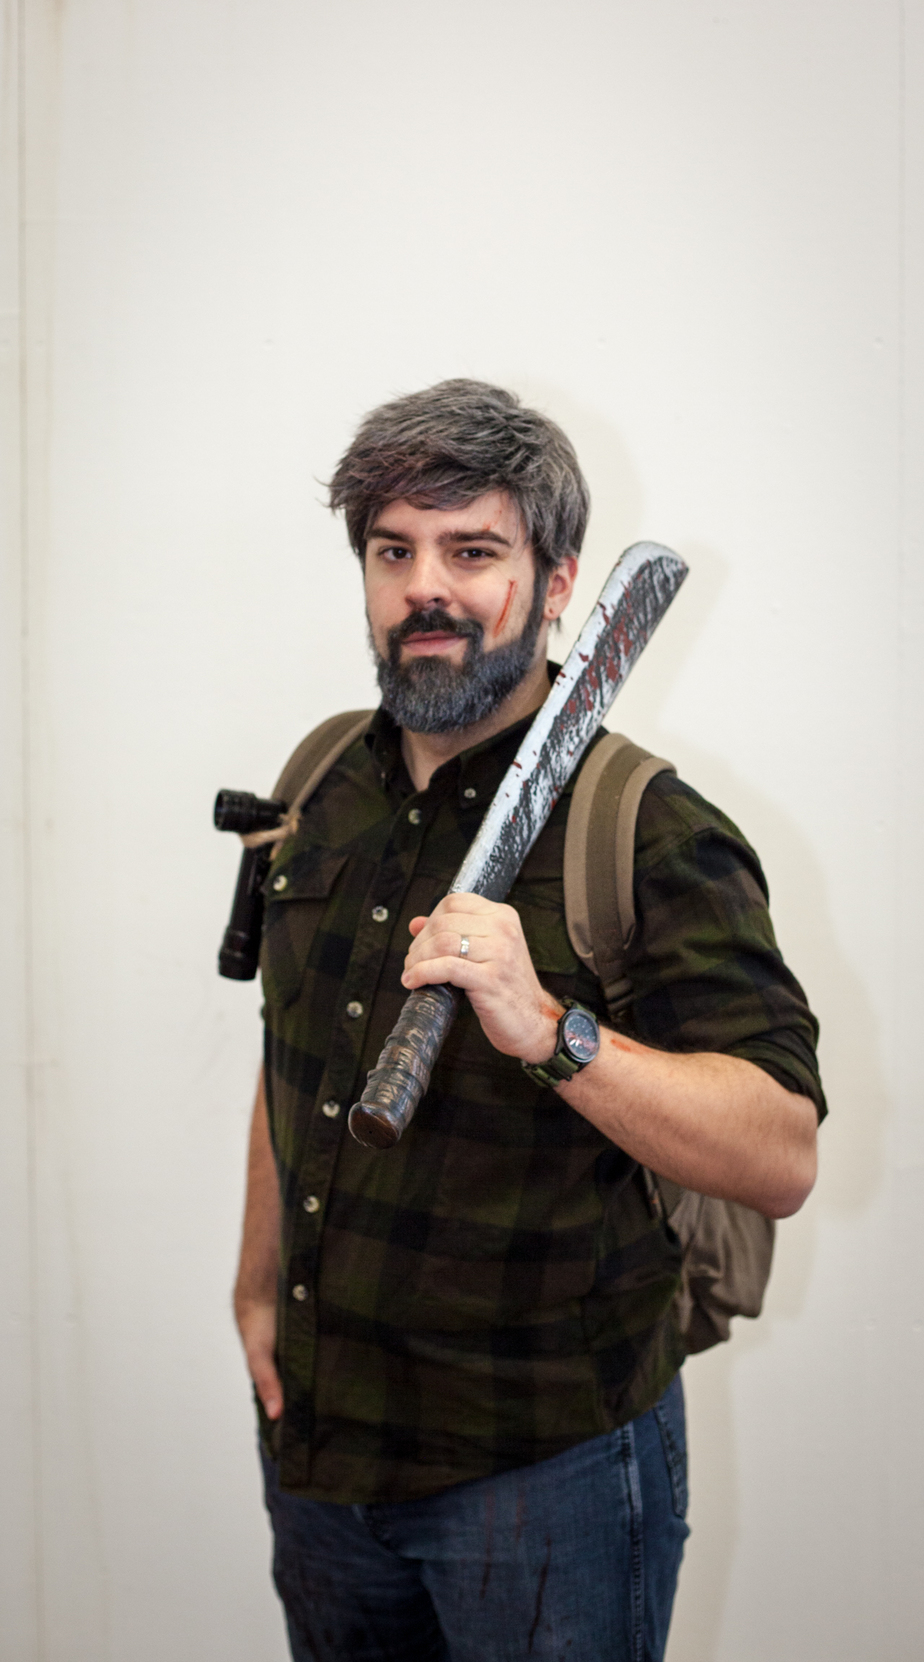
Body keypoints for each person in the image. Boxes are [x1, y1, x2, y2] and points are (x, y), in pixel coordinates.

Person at [233, 379, 825, 1662]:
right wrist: (256, 1281)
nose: (424, 589)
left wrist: (554, 1029)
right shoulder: (322, 782)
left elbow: (780, 1153)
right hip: (322, 1448)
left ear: (557, 584)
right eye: (394, 551)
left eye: (472, 552)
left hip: (546, 1473)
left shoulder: (648, 830)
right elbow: (295, 1055)